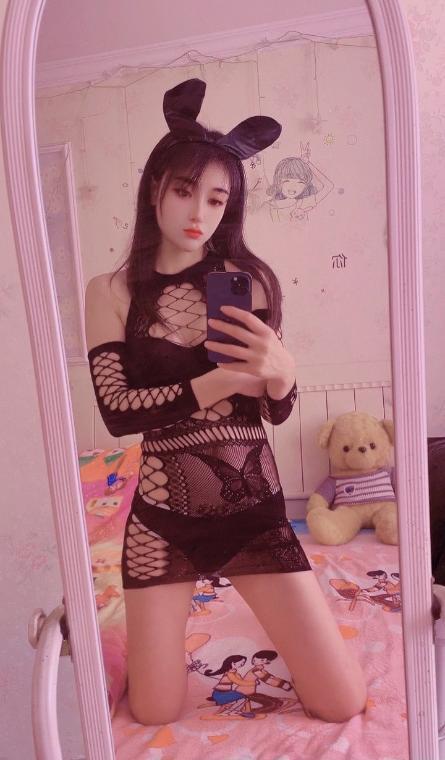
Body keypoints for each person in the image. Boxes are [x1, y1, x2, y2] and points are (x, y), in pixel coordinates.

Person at [85, 78, 367, 727]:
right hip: (161, 520)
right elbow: (118, 411)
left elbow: (272, 409)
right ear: (154, 189)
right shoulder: (111, 291)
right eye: (185, 190)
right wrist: (214, 383)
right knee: (153, 712)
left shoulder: (250, 280)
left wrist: (284, 375)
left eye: (217, 199)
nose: (200, 212)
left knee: (340, 701)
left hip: (253, 512)